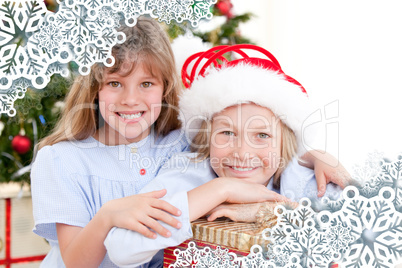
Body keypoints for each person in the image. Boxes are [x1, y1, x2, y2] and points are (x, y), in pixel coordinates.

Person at [30, 20, 293, 268]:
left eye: (146, 83)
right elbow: (77, 263)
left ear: (165, 88)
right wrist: (107, 215)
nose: (131, 99)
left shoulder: (180, 143)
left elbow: (252, 146)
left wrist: (313, 156)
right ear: (93, 90)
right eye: (114, 83)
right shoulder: (61, 160)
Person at [103, 44, 345, 267]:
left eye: (262, 135)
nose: (242, 153)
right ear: (207, 138)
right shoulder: (187, 174)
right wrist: (220, 189)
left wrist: (269, 211)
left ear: (284, 143)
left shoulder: (305, 180)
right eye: (227, 132)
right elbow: (121, 248)